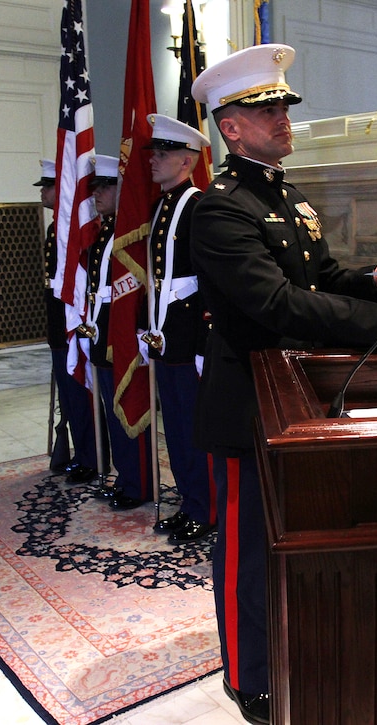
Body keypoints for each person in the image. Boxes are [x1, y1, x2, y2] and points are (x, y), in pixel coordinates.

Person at [189, 44, 377, 724]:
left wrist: (374, 277)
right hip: (247, 401)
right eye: (267, 109)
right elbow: (277, 306)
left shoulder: (289, 195)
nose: (283, 118)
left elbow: (319, 280)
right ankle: (248, 676)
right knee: (247, 552)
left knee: (296, 542)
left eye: (284, 105)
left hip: (301, 397)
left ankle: (294, 647)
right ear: (231, 126)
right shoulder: (218, 209)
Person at [140, 114, 216, 545]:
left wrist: (204, 339)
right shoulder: (160, 207)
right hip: (163, 331)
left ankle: (205, 510)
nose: (154, 160)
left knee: (192, 426)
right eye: (155, 152)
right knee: (175, 424)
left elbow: (207, 278)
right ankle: (189, 502)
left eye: (164, 154)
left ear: (187, 162)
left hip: (188, 335)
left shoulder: (199, 206)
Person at [86, 154, 153, 510]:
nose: (97, 193)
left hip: (122, 335)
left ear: (121, 190)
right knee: (112, 411)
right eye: (95, 187)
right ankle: (126, 476)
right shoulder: (104, 233)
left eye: (105, 186)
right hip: (103, 332)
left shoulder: (127, 234)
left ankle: (139, 483)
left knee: (127, 405)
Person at [37, 159, 100, 482]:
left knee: (79, 394)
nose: (43, 193)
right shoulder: (54, 227)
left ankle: (91, 456)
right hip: (57, 323)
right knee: (69, 395)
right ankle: (81, 452)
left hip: (72, 322)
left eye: (47, 186)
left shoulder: (73, 227)